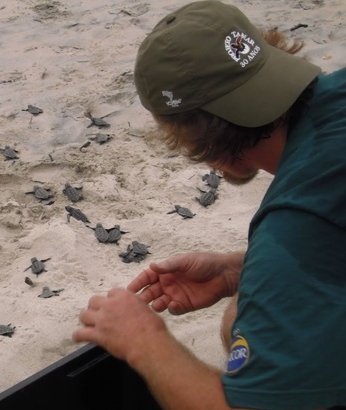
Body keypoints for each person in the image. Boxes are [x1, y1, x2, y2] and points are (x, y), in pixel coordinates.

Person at [72, 1, 346, 409]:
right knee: (246, 311)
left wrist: (144, 342)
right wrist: (239, 270)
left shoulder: (290, 230)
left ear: (204, 142)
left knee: (246, 321)